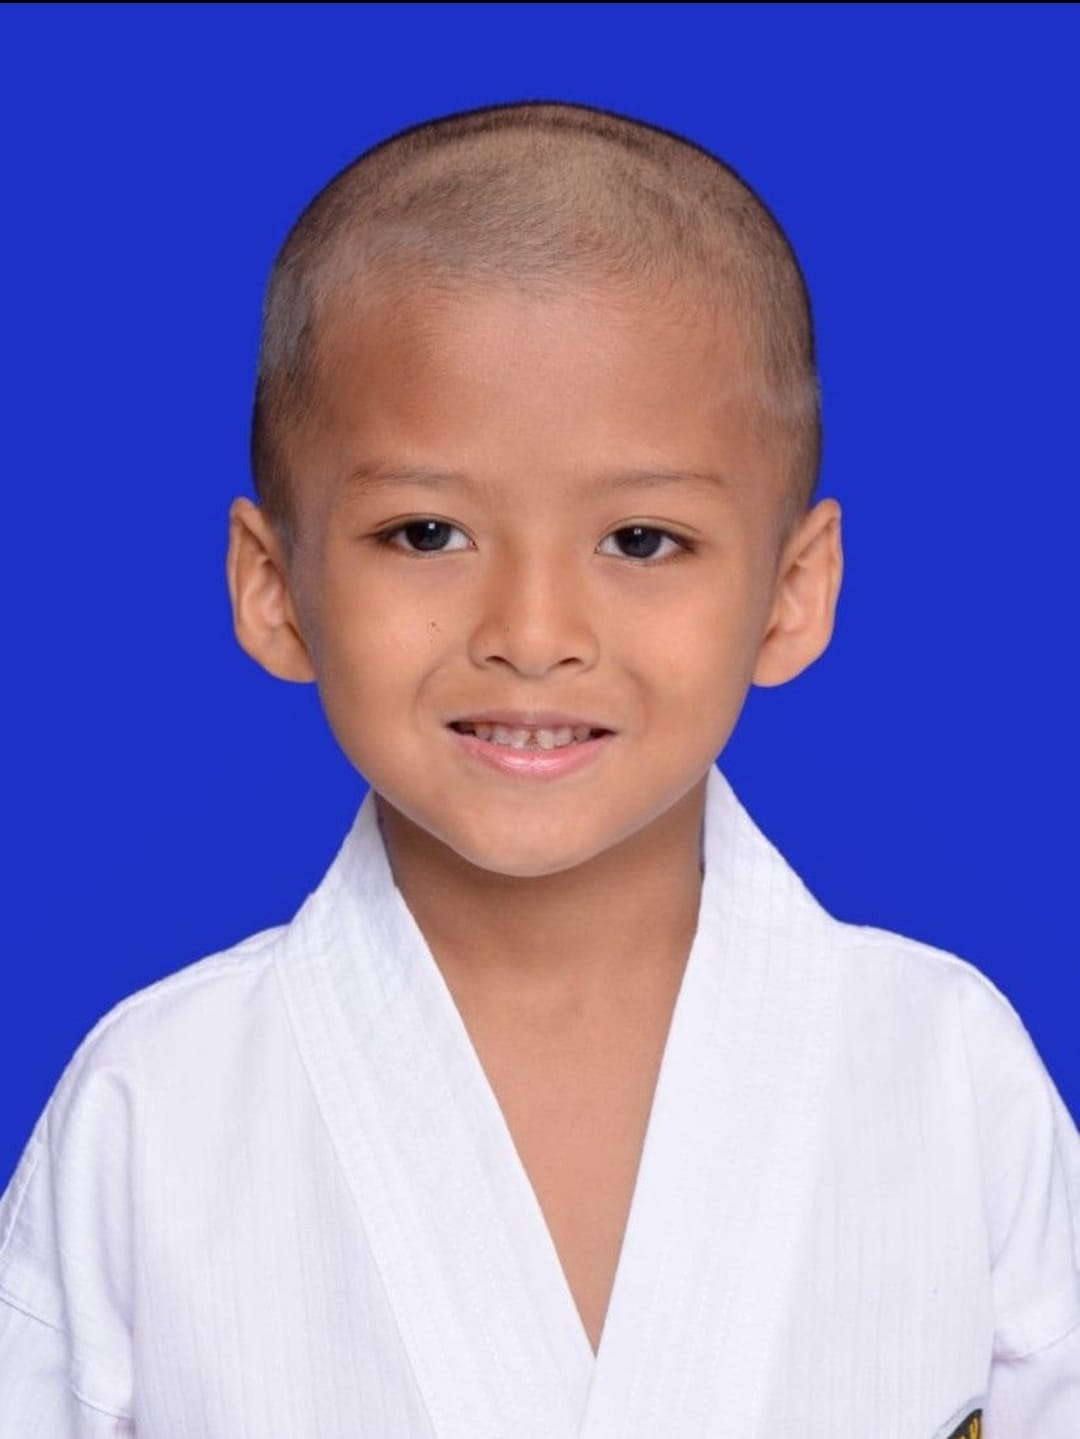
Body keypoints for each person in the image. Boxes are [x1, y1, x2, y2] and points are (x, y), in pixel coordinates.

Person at [0, 100, 1076, 1439]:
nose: (532, 632)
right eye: (426, 532)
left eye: (640, 540)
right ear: (273, 587)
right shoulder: (153, 1109)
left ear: (794, 592)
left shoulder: (945, 1072)